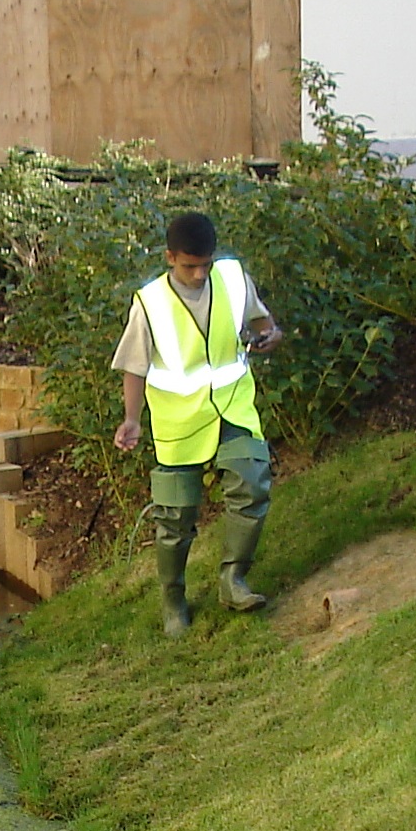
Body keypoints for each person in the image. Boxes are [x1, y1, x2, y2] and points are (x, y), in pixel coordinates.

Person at [112, 212, 281, 637]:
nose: (200, 273)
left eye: (205, 263)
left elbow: (262, 322)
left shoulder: (232, 279)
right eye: (189, 265)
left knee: (252, 482)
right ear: (170, 257)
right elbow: (133, 366)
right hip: (178, 424)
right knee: (175, 519)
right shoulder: (149, 302)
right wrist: (131, 420)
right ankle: (173, 603)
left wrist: (270, 335)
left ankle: (233, 580)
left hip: (232, 409)